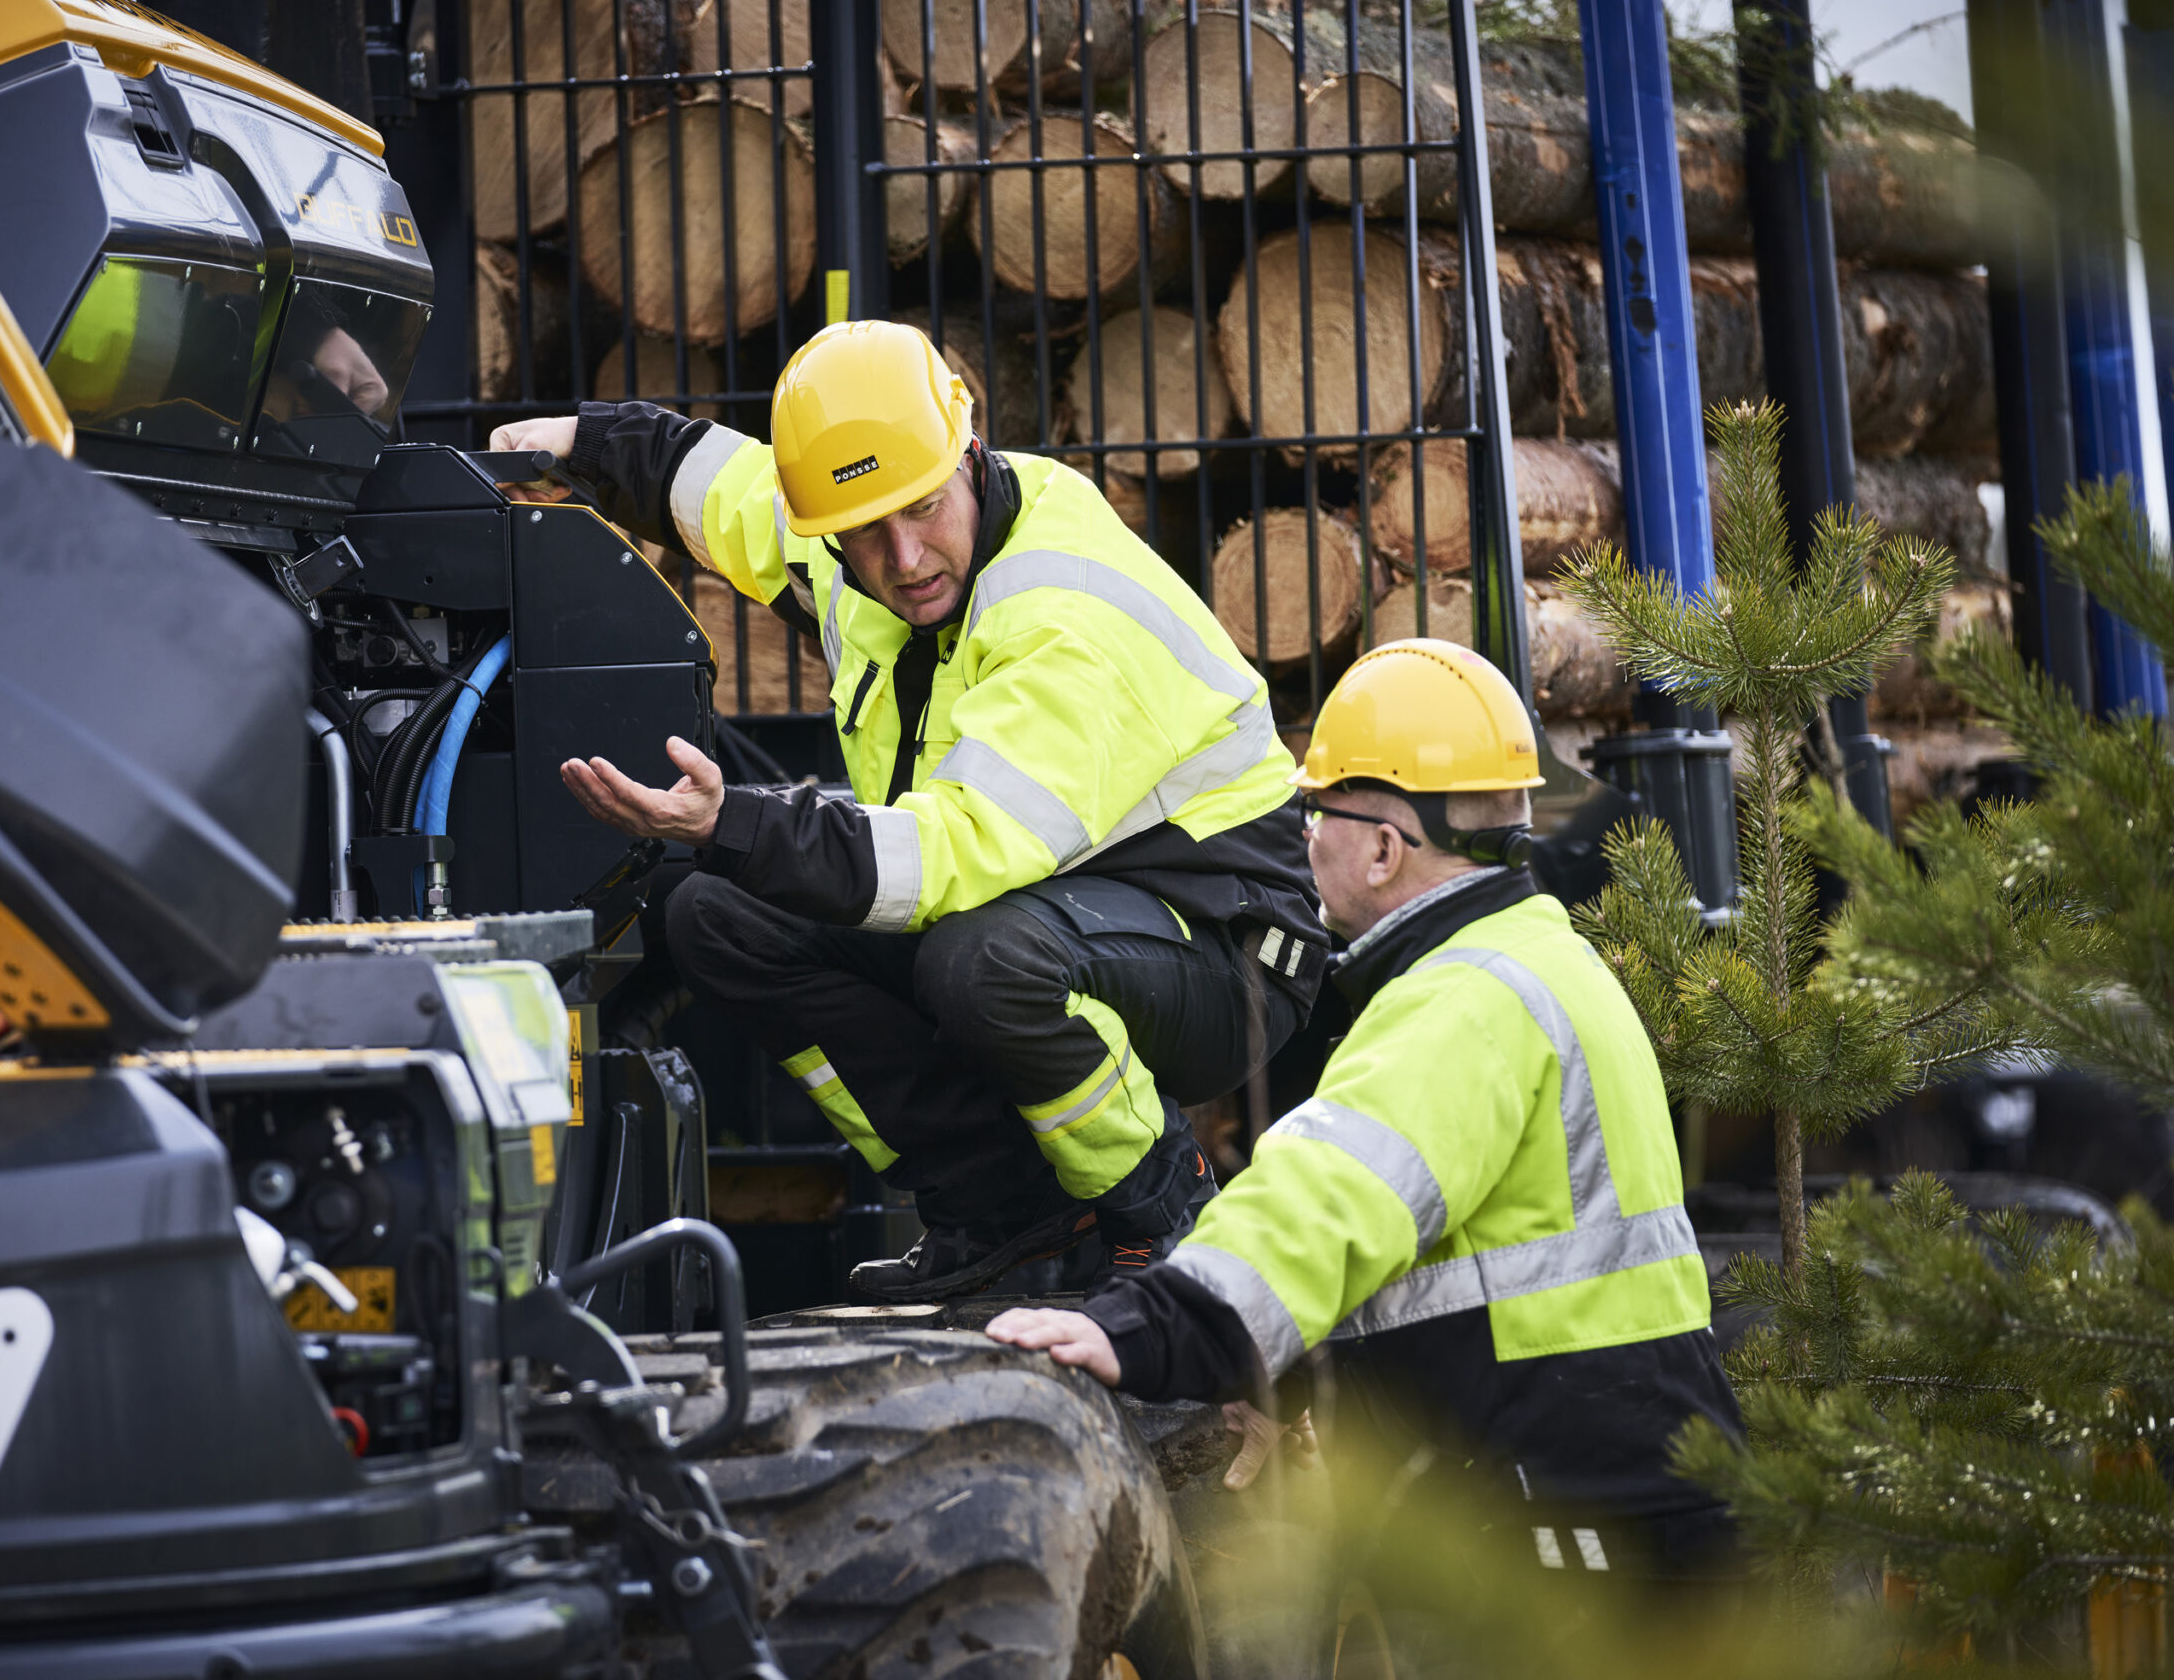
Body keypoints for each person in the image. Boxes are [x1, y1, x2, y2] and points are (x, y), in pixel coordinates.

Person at [490, 321, 1325, 1300]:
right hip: (1048, 901)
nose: (905, 556)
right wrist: (581, 442)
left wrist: (732, 823)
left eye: (924, 509)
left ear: (969, 454)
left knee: (982, 960)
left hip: (1227, 949)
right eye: (866, 531)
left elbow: (946, 858)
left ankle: (1157, 1212)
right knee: (718, 914)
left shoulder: (1062, 613)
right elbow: (725, 490)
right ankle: (1001, 1209)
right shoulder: (856, 543)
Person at [986, 637, 1745, 1587]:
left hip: (1584, 1531)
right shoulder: (1543, 958)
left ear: (1385, 847)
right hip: (1637, 1496)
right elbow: (1474, 1264)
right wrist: (1294, 1369)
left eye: (1318, 811)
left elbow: (1329, 1197)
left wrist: (1149, 1328)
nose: (1305, 839)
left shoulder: (1463, 999)